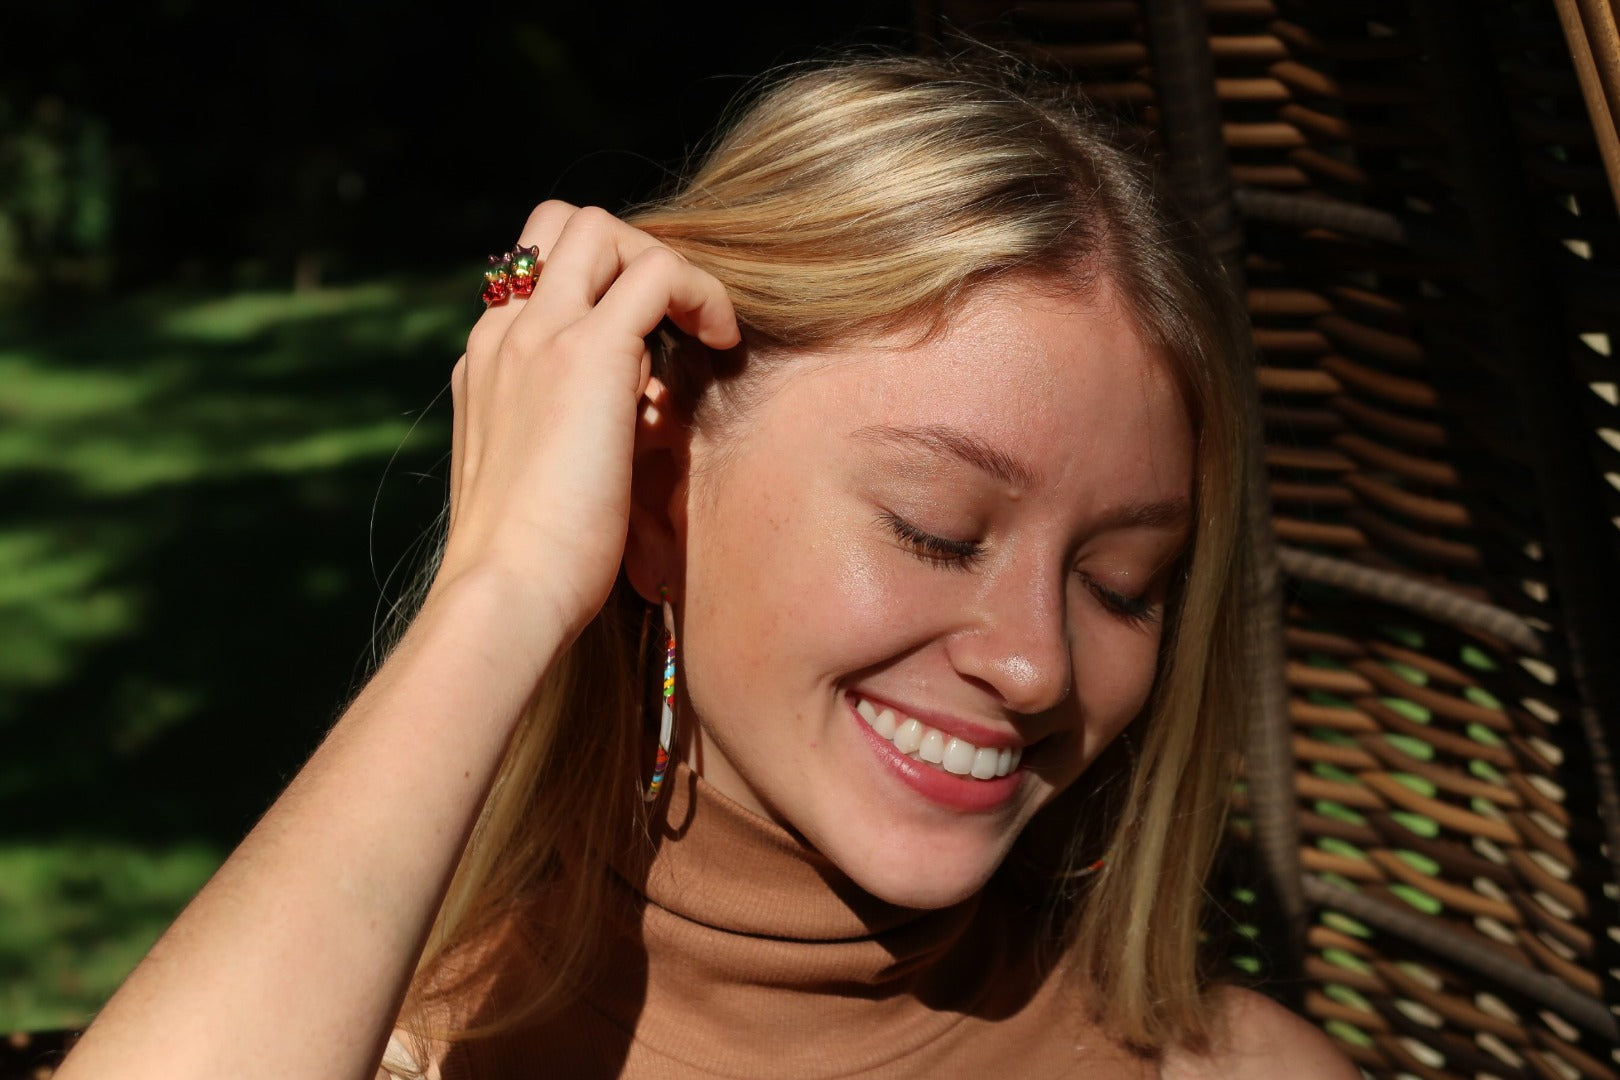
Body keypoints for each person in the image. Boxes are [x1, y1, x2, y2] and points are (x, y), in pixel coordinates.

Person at [57, 53, 1356, 1079]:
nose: (1034, 662)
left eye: (1122, 584)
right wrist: (501, 590)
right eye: (935, 528)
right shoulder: (401, 1052)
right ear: (658, 491)